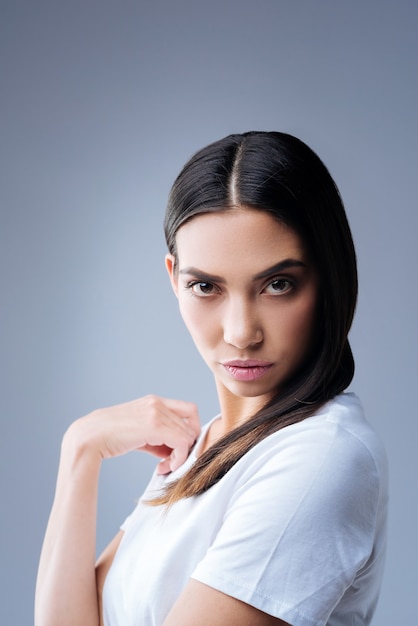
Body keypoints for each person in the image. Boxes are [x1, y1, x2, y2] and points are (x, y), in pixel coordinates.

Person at [35, 131, 388, 626]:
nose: (241, 333)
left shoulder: (319, 456)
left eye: (278, 284)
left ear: (330, 278)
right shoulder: (202, 448)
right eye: (205, 286)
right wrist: (80, 451)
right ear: (173, 280)